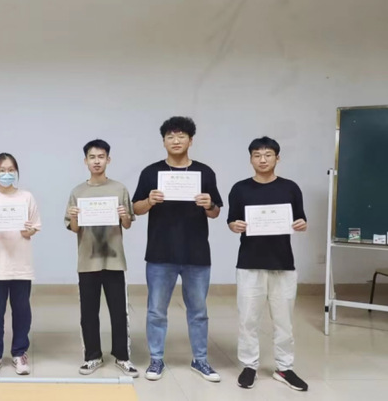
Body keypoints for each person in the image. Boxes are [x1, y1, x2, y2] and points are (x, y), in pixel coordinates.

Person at [131, 116, 223, 383]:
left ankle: (200, 360)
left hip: (197, 254)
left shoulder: (205, 172)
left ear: (190, 140)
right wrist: (149, 201)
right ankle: (156, 359)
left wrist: (208, 204)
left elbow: (216, 212)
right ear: (163, 141)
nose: (175, 140)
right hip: (160, 253)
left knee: (198, 311)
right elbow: (136, 208)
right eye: (170, 136)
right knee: (156, 311)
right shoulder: (151, 172)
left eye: (181, 135)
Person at [227, 137, 308, 391]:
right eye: (257, 155)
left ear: (277, 158)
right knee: (248, 319)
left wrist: (301, 224)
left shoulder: (290, 188)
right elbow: (231, 220)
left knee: (284, 321)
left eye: (268, 155)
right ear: (251, 159)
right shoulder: (240, 189)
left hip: (282, 263)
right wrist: (234, 225)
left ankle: (284, 368)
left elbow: (300, 219)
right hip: (249, 263)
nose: (262, 160)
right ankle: (249, 366)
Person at [65, 139, 138, 377]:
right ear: (85, 161)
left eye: (101, 156)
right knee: (88, 312)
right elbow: (74, 228)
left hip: (114, 260)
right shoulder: (78, 192)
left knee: (119, 311)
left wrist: (123, 215)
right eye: (92, 157)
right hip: (87, 261)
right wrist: (74, 216)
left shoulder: (119, 189)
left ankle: (122, 356)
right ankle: (92, 356)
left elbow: (127, 224)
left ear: (108, 159)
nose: (97, 161)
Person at [0, 153, 41, 376]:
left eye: (11, 170)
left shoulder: (26, 197)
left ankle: (19, 353)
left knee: (22, 312)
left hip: (21, 264)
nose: (7, 174)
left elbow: (34, 227)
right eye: (2, 170)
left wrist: (28, 231)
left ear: (17, 172)